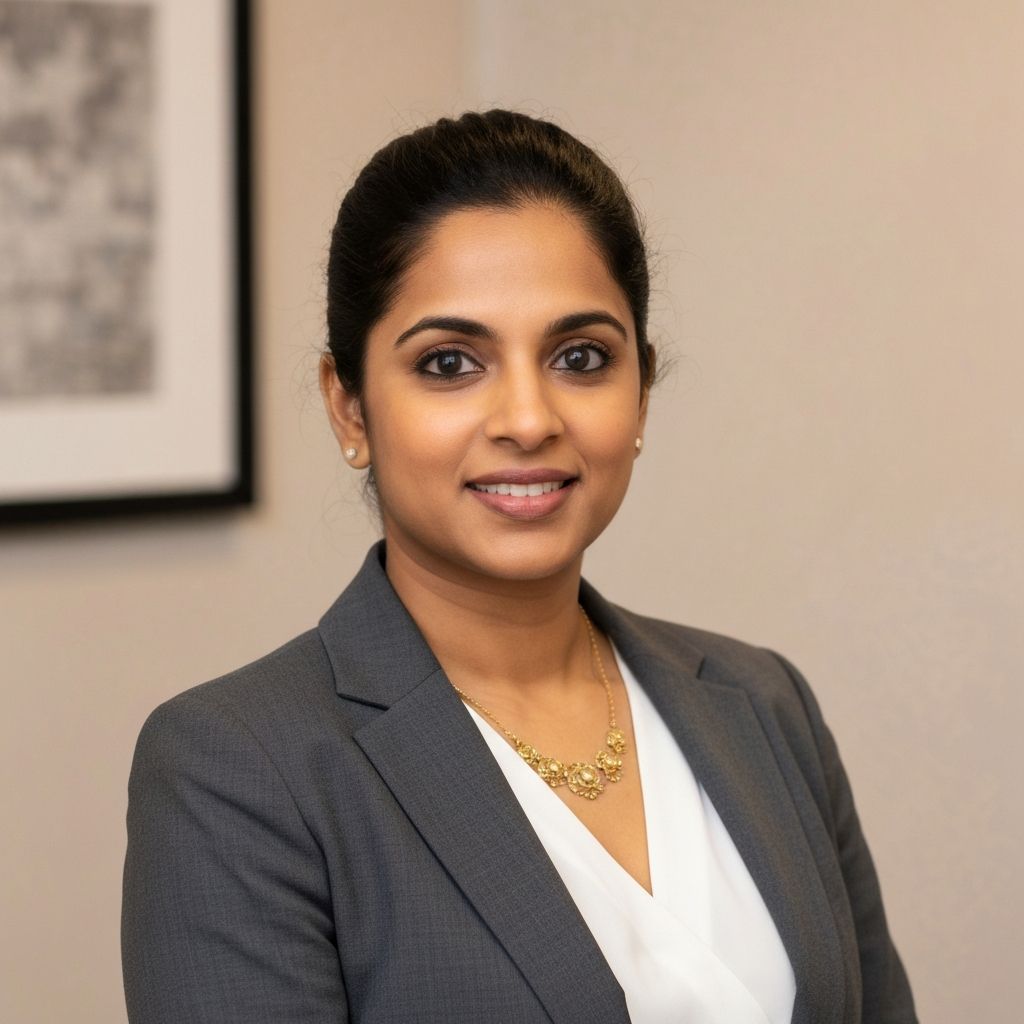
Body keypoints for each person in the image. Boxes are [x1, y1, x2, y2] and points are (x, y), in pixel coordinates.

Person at [121, 110, 917, 1024]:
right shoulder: (238, 768)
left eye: (580, 357)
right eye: (449, 363)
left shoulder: (765, 705)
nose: (530, 420)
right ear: (349, 408)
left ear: (641, 392)